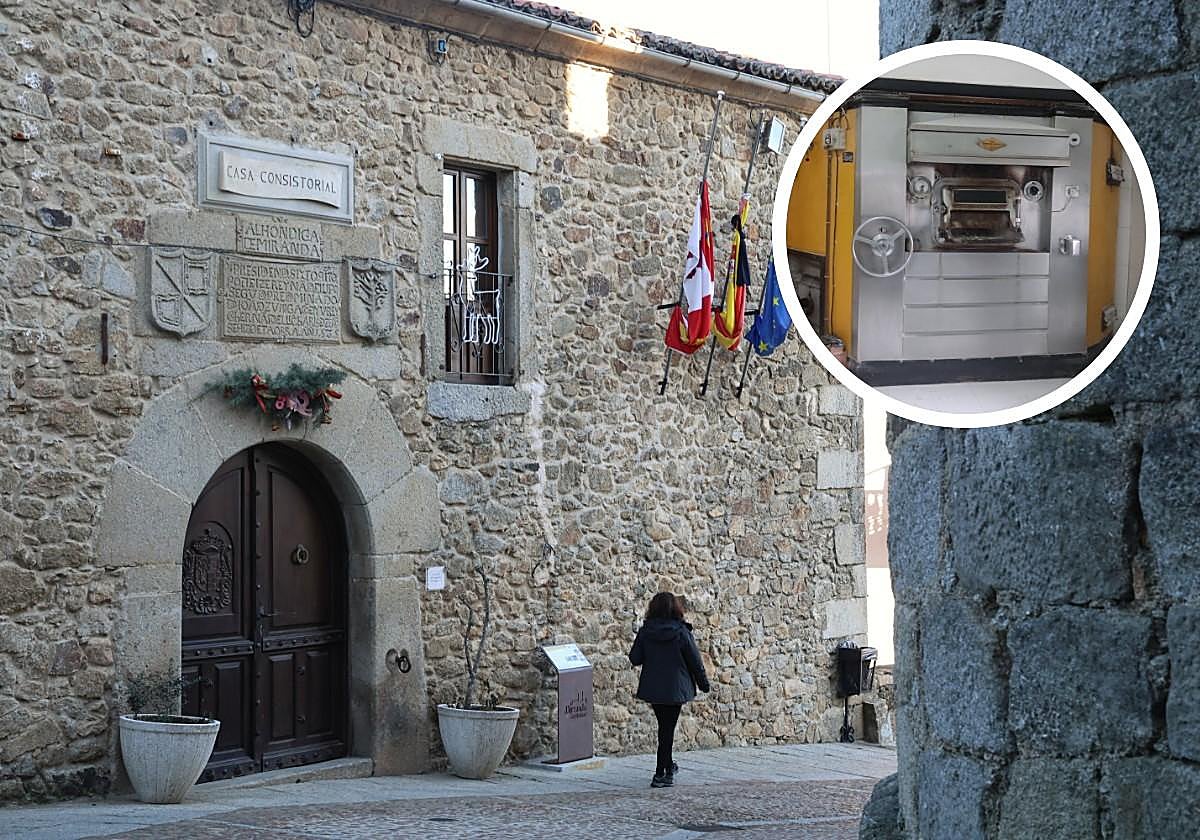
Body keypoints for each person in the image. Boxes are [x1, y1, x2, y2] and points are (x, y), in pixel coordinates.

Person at [628, 591, 711, 788]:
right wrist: (704, 684)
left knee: (665, 727)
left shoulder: (646, 631)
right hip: (676, 688)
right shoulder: (681, 632)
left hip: (654, 687)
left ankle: (667, 765)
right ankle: (661, 772)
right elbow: (695, 661)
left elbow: (635, 658)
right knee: (667, 728)